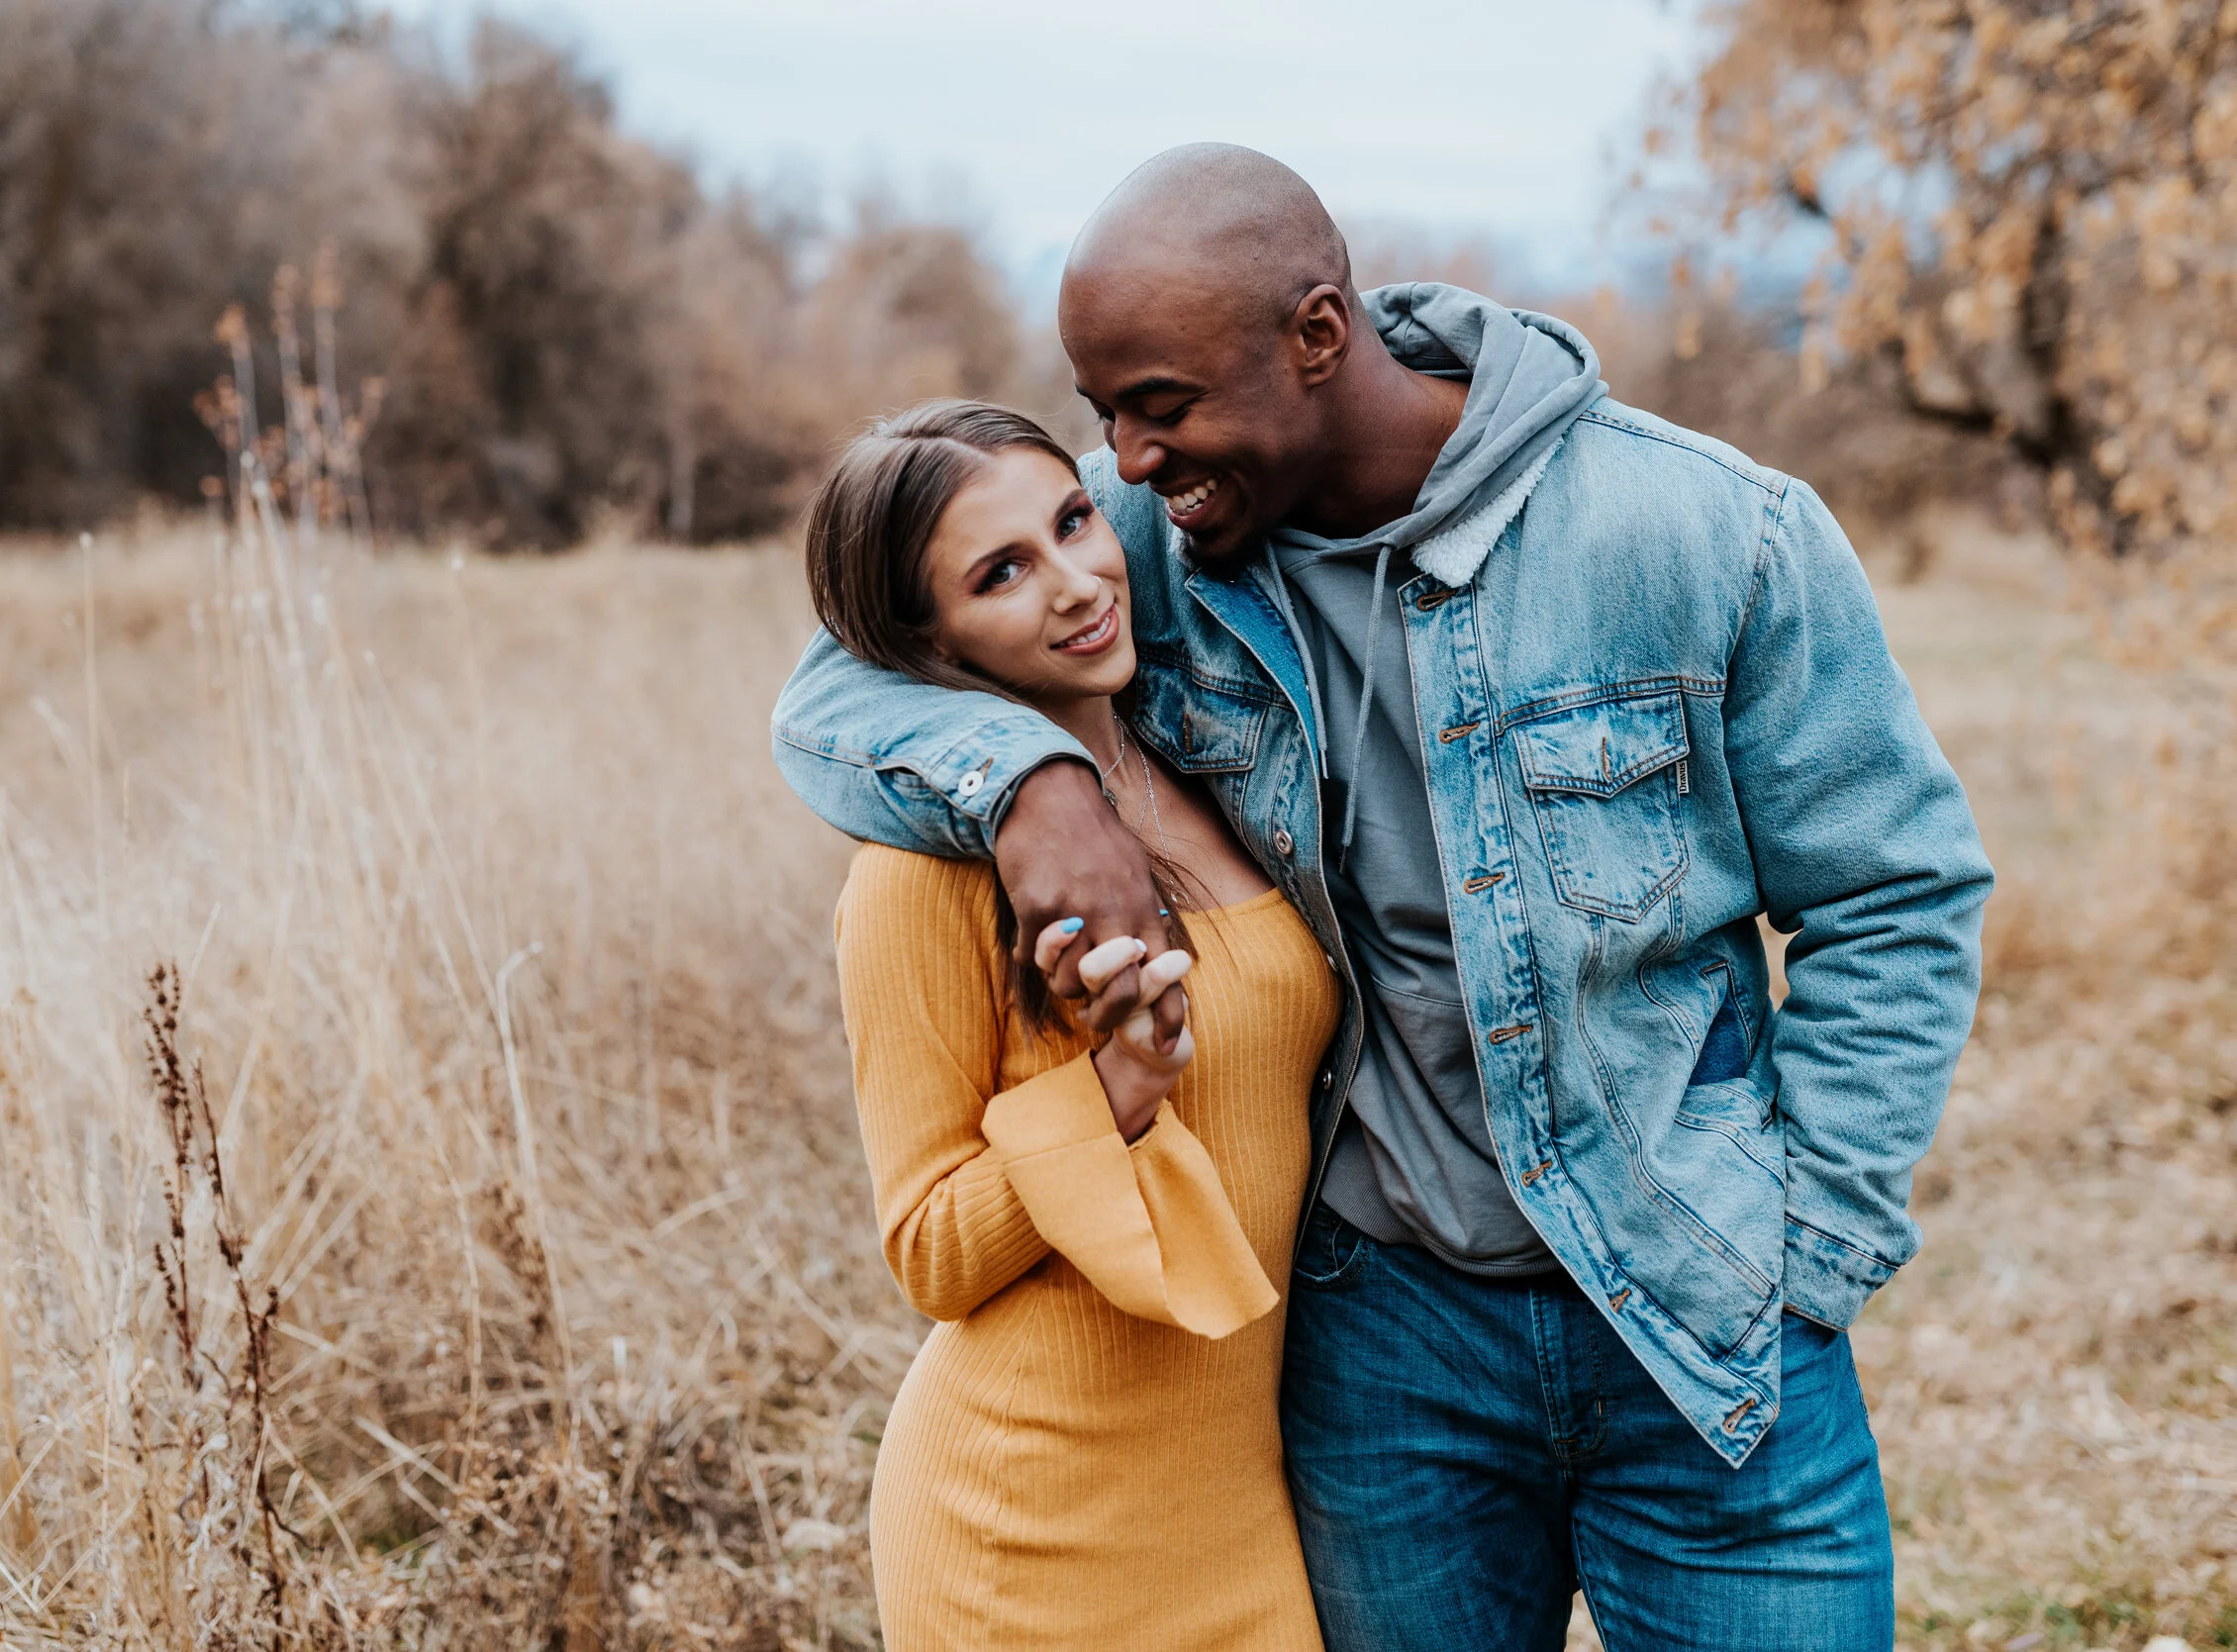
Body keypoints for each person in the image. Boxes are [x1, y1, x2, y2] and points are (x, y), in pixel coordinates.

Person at [775, 146, 1994, 1652]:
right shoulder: (1148, 541)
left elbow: (1899, 889)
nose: (1131, 461)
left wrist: (1815, 1246)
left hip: (1704, 1299)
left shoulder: (1703, 530)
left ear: (1317, 337)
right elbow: (853, 659)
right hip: (1384, 1343)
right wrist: (1031, 788)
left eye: (1160, 407)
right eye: (1104, 420)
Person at [810, 399, 1337, 1650]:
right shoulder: (919, 876)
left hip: (1240, 1502)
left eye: (1071, 520)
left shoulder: (1209, 765)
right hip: (1032, 1527)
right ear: (925, 641)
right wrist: (1116, 1087)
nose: (1076, 582)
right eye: (1001, 573)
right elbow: (927, 1245)